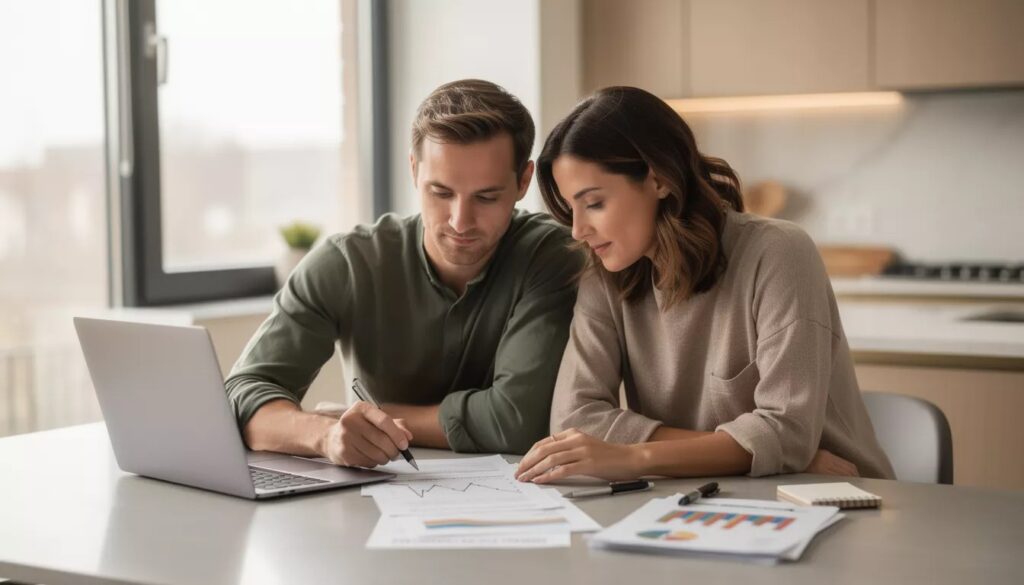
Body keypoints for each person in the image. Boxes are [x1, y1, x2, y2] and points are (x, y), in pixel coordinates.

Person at [515, 86, 895, 483]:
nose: (578, 230)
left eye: (593, 203)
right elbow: (575, 417)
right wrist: (748, 451)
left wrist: (633, 457)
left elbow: (788, 433)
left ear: (659, 179)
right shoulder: (605, 273)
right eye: (570, 207)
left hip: (832, 492)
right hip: (709, 494)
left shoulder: (779, 252)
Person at [227, 79, 583, 469]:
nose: (460, 221)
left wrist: (376, 417)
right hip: (369, 501)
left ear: (523, 181)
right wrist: (324, 435)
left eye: (486, 197)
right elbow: (242, 394)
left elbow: (517, 421)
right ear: (414, 170)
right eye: (441, 192)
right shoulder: (346, 263)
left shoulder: (552, 257)